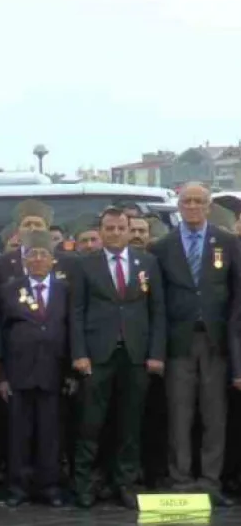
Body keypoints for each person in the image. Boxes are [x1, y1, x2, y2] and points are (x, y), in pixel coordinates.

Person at [149, 183, 241, 503]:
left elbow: (236, 297)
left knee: (215, 415)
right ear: (178, 205)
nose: (192, 206)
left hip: (216, 342)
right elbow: (157, 304)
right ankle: (181, 479)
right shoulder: (161, 246)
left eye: (198, 201)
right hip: (178, 343)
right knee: (179, 414)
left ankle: (211, 481)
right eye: (186, 201)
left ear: (208, 205)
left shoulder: (228, 242)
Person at [70, 206, 165, 509]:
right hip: (97, 355)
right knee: (91, 422)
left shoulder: (147, 262)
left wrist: (156, 353)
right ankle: (85, 483)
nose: (115, 233)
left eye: (120, 228)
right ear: (101, 231)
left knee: (130, 423)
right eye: (109, 228)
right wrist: (80, 353)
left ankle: (125, 482)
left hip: (136, 354)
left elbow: (157, 311)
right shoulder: (84, 264)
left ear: (128, 229)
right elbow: (76, 313)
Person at [0, 230, 68, 507]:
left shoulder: (64, 290)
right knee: (18, 433)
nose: (37, 259)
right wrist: (2, 374)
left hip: (53, 371)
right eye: (32, 254)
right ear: (24, 259)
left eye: (43, 254)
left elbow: (71, 328)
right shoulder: (10, 289)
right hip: (19, 372)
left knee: (50, 434)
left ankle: (49, 487)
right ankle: (17, 487)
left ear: (53, 260)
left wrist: (71, 371)